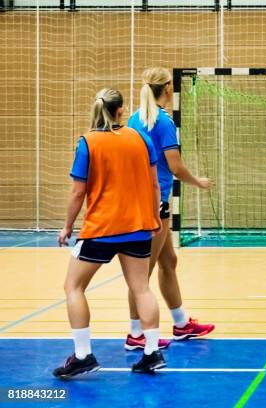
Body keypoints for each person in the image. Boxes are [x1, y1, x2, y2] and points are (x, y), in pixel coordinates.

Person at [53, 88, 165, 379]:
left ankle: (82, 356)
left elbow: (78, 192)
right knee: (141, 288)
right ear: (120, 111)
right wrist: (153, 217)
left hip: (102, 228)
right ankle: (152, 353)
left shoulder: (88, 142)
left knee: (73, 287)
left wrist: (67, 226)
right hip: (139, 227)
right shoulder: (141, 138)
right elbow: (154, 185)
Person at [125, 67, 215, 350]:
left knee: (168, 262)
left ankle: (180, 323)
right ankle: (135, 333)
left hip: (143, 198)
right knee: (143, 273)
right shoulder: (162, 122)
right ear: (167, 89)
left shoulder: (133, 119)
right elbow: (175, 166)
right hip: (154, 202)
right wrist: (198, 182)